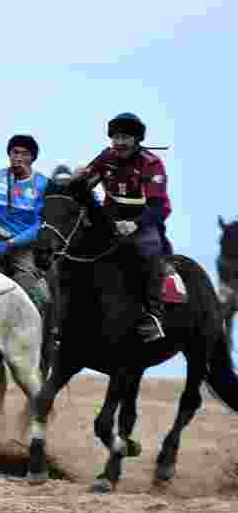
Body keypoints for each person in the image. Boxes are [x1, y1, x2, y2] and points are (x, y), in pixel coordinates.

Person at [76, 112, 172, 342]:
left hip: (143, 224)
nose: (119, 143)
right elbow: (86, 182)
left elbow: (159, 208)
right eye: (115, 137)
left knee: (148, 251)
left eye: (125, 138)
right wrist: (77, 179)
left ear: (137, 140)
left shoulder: (151, 164)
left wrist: (134, 224)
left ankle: (153, 316)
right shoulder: (106, 157)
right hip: (109, 221)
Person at [0, 134, 51, 317]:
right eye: (14, 152)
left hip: (22, 245)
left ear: (33, 157)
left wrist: (12, 243)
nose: (18, 158)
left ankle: (41, 326)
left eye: (25, 154)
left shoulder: (43, 184)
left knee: (29, 288)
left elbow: (39, 224)